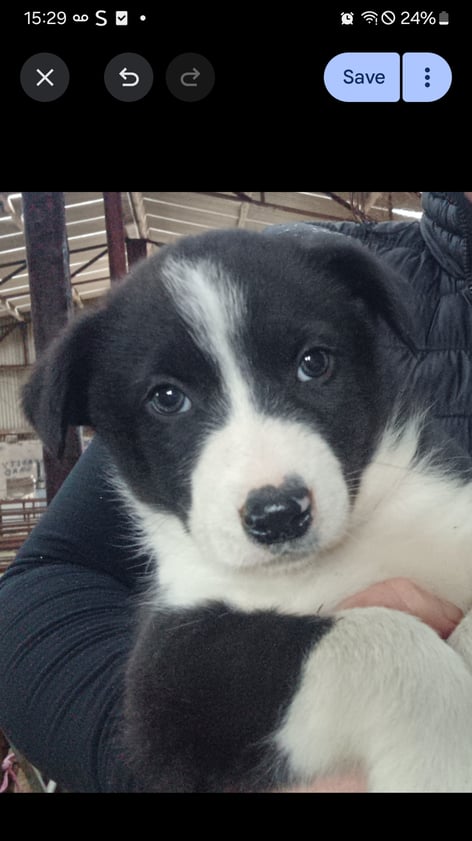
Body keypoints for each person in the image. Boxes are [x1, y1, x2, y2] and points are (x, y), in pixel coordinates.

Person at [1, 191, 472, 793]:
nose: (270, 480)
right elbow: (159, 713)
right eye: (168, 399)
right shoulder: (296, 265)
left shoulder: (424, 483)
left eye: (312, 364)